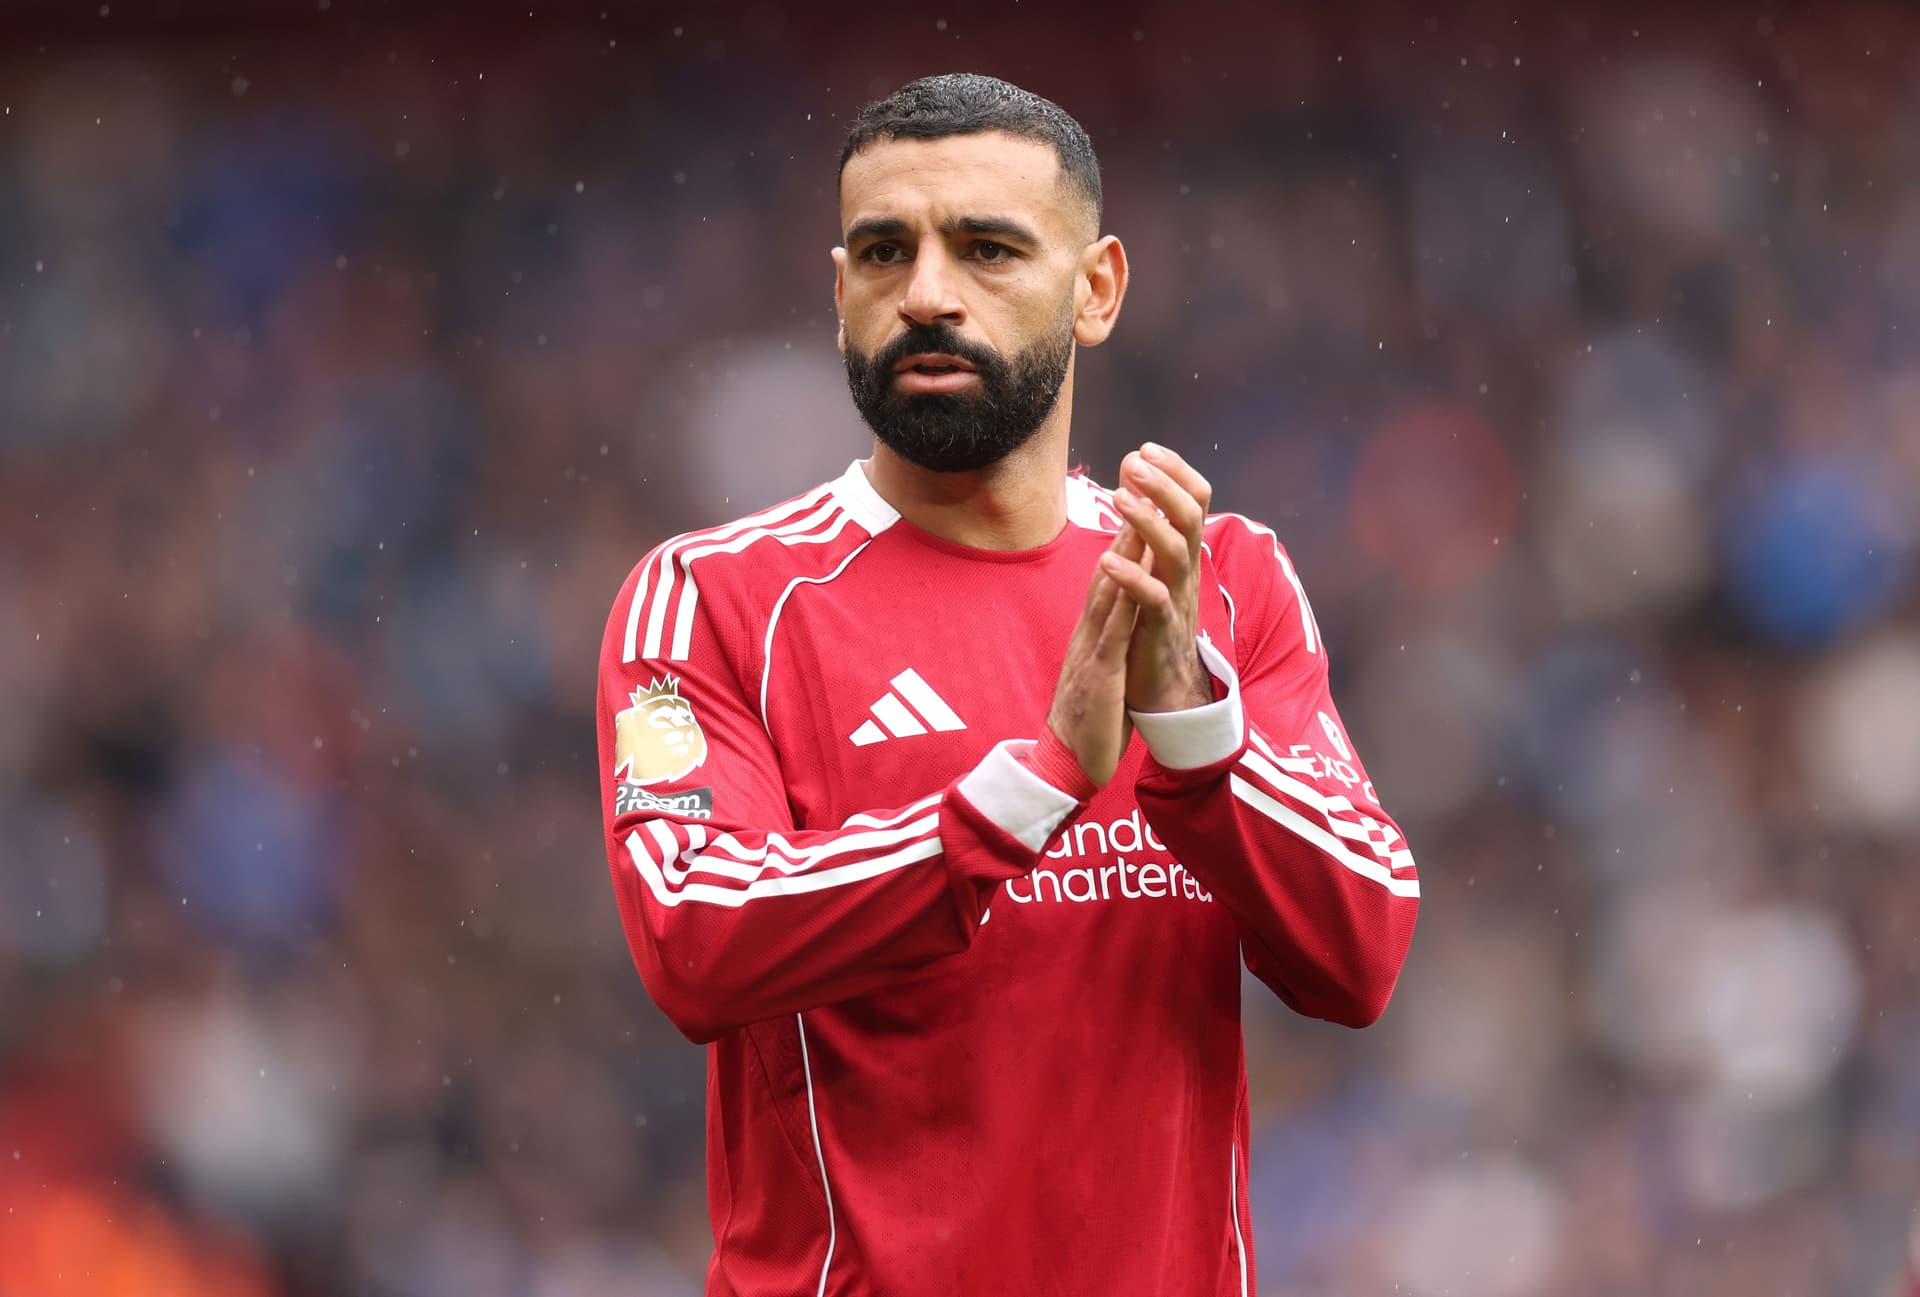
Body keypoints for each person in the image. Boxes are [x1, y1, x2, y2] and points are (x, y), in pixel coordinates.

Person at [595, 72, 1419, 1297]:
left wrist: (1196, 734)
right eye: (887, 252)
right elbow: (695, 933)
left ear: (1097, 289)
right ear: (839, 294)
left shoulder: (1216, 581)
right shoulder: (711, 600)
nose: (929, 294)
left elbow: (1359, 953)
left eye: (987, 249)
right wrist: (1028, 791)